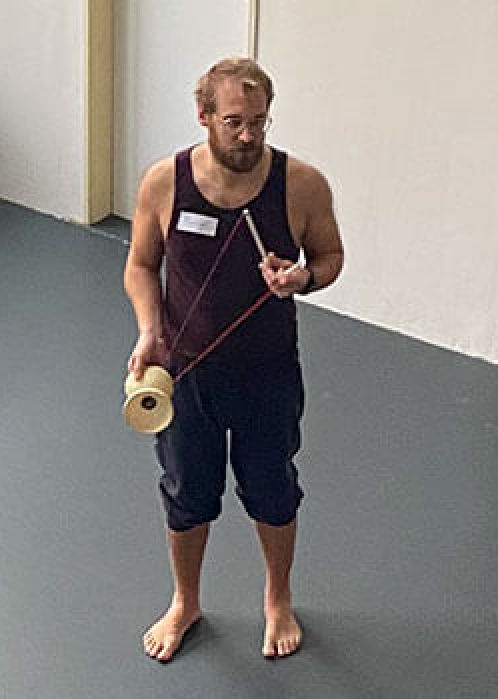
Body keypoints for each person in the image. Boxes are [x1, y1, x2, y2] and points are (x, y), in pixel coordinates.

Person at [123, 55, 345, 662]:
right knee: (186, 491)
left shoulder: (301, 184)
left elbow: (329, 257)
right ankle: (185, 602)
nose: (249, 135)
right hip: (187, 372)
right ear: (203, 116)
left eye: (259, 121)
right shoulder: (164, 183)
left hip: (267, 372)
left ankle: (278, 599)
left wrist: (301, 279)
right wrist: (149, 331)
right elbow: (140, 265)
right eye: (234, 122)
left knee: (273, 488)